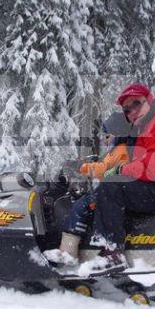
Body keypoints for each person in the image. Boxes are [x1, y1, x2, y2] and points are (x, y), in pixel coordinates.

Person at [81, 83, 155, 276]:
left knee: (111, 187)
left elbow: (153, 168)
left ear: (149, 100)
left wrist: (122, 169)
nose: (131, 111)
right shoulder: (151, 124)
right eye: (126, 109)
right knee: (117, 187)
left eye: (136, 104)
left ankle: (112, 253)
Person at [43, 112, 132, 266]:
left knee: (79, 207)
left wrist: (82, 167)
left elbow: (103, 170)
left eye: (107, 136)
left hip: (114, 193)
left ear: (118, 133)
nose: (105, 140)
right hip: (112, 191)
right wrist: (92, 160)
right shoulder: (118, 150)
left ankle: (68, 252)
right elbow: (105, 164)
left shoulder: (122, 150)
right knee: (79, 199)